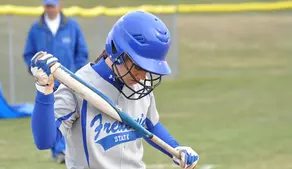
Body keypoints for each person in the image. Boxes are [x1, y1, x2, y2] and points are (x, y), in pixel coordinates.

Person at [29, 10, 199, 169]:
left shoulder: (138, 84)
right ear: (117, 53)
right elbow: (45, 141)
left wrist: (176, 149)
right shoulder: (77, 87)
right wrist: (44, 90)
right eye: (140, 67)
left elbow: (150, 125)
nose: (143, 77)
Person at [23, 0, 88, 163]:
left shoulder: (72, 26)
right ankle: (59, 152)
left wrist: (75, 74)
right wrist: (36, 72)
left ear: (60, 5)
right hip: (46, 83)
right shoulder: (35, 28)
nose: (50, 9)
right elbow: (28, 53)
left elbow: (81, 52)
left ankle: (69, 151)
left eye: (53, 5)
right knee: (49, 117)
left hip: (69, 82)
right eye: (48, 6)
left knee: (71, 118)